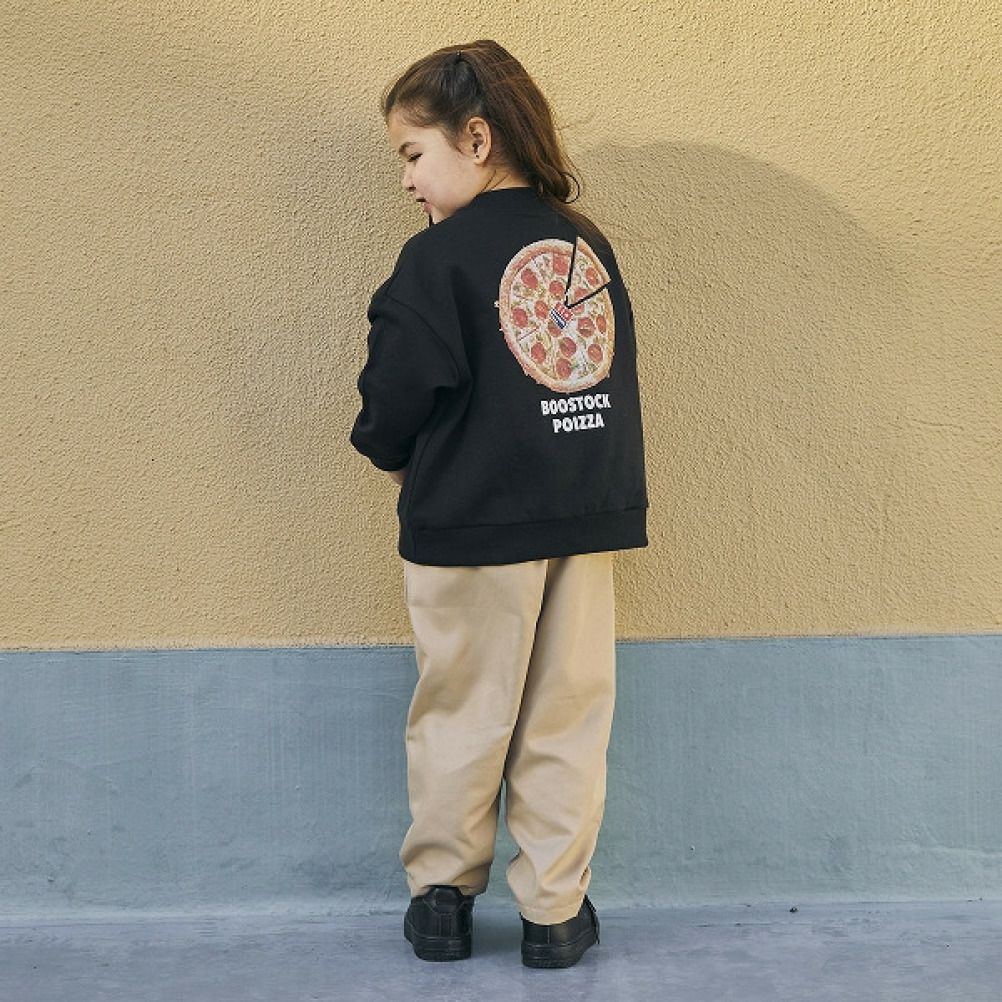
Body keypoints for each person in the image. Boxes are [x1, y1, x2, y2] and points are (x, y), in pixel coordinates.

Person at [350, 39, 648, 969]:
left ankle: (442, 901)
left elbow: (396, 392)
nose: (408, 180)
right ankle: (555, 914)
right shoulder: (584, 245)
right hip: (581, 519)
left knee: (463, 713)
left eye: (413, 154)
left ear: (476, 139)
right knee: (568, 714)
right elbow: (600, 372)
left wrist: (391, 458)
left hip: (470, 527)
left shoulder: (437, 260)